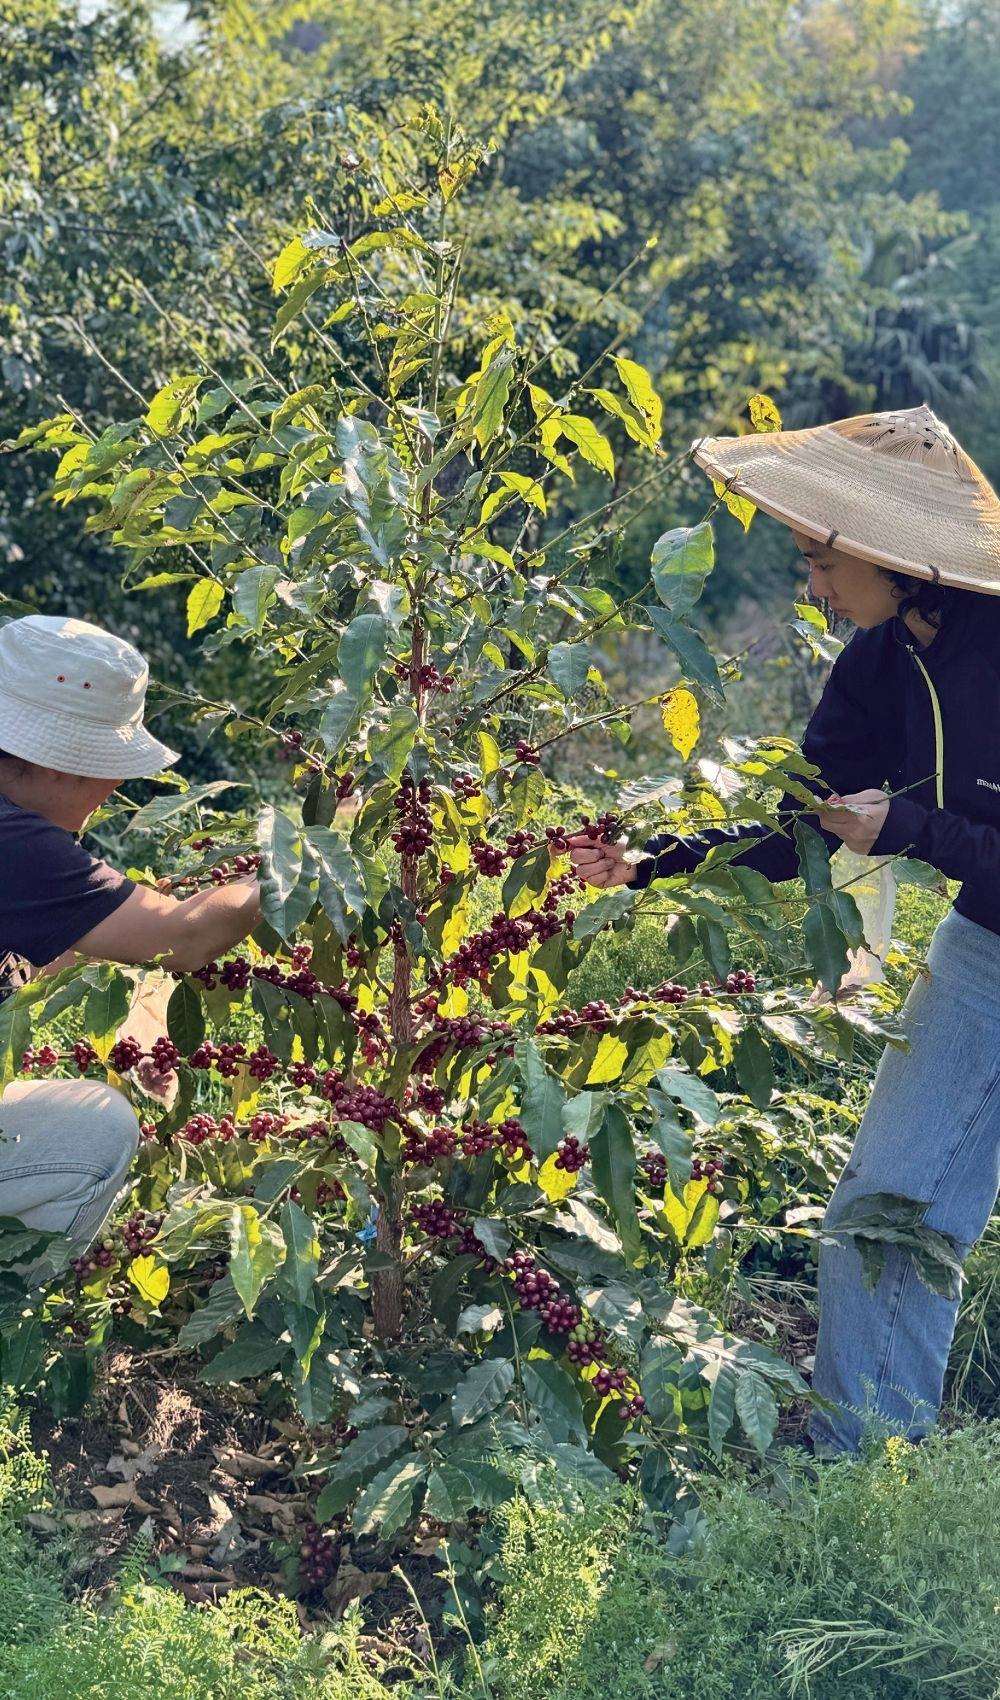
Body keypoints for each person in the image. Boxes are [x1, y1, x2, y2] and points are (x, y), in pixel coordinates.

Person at [568, 402, 1000, 1456]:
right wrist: (648, 859)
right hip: (986, 942)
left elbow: (909, 826)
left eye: (819, 557)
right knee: (885, 1202)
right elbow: (803, 825)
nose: (810, 582)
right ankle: (862, 1472)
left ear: (894, 555)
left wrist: (911, 826)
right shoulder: (878, 659)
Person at [0, 614, 261, 1269]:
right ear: (49, 762)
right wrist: (303, 863)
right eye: (102, 764)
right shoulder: (17, 843)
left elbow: (55, 942)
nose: (113, 785)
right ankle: (22, 1331)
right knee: (97, 1128)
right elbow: (188, 936)